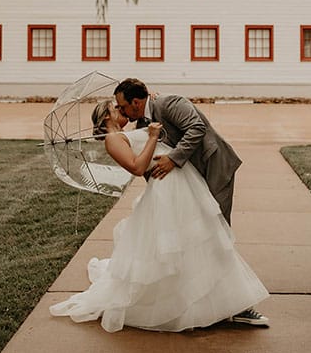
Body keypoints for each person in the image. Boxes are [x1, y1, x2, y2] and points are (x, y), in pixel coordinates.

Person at [49, 99, 269, 333]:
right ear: (106, 118)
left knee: (201, 242)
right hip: (167, 189)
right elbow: (136, 166)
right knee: (190, 244)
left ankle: (226, 303)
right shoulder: (113, 140)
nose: (122, 111)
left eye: (123, 107)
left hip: (182, 183)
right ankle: (216, 305)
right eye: (117, 109)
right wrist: (152, 136)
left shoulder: (130, 131)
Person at [113, 77, 268, 327]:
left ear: (136, 102)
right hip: (188, 184)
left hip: (213, 169)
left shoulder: (169, 103)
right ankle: (206, 303)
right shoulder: (141, 122)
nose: (120, 111)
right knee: (194, 241)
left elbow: (197, 128)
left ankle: (238, 305)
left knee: (217, 235)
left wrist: (173, 159)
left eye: (122, 106)